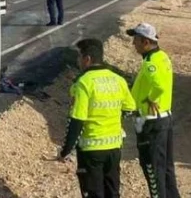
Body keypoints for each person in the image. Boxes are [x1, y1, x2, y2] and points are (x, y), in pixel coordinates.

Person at [57, 38, 136, 198]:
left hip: (91, 150)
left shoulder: (84, 83)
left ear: (87, 59)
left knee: (93, 193)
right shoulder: (118, 80)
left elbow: (76, 120)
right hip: (114, 147)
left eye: (79, 58)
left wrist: (65, 150)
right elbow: (130, 107)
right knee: (112, 191)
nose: (78, 61)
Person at [126, 23, 181, 198]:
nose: (133, 44)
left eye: (135, 40)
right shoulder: (162, 56)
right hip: (163, 119)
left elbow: (159, 86)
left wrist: (151, 99)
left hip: (151, 122)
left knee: (153, 169)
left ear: (145, 41)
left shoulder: (151, 63)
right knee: (165, 168)